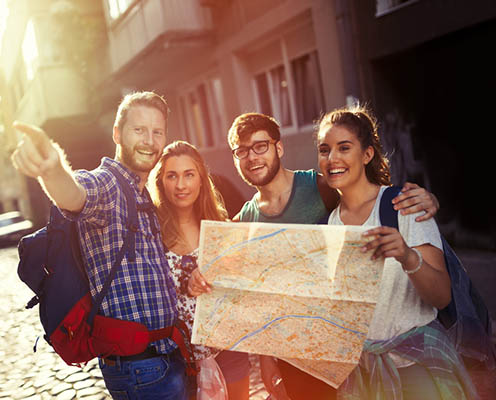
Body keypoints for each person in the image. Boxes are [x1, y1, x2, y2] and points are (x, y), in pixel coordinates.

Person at [188, 112, 442, 399]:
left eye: (260, 146)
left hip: (354, 350)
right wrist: (202, 275)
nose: (252, 157)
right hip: (297, 354)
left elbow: (365, 198)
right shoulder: (245, 220)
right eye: (242, 151)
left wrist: (426, 199)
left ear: (278, 148)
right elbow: (242, 284)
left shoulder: (321, 188)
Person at [11, 91, 188, 400]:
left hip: (162, 358)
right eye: (138, 130)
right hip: (140, 368)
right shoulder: (109, 184)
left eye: (156, 131)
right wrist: (51, 170)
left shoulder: (142, 193)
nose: (149, 140)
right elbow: (76, 194)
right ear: (117, 134)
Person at [315, 105, 477, 399]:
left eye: (344, 148)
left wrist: (407, 256)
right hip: (364, 376)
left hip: (418, 370)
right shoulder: (329, 225)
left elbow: (441, 296)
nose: (332, 158)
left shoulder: (404, 205)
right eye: (324, 149)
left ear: (367, 155)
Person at [148, 140, 231, 399]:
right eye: (172, 176)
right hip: (174, 367)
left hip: (228, 356)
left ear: (201, 179)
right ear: (161, 181)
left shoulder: (221, 228)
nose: (181, 185)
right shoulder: (150, 234)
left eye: (189, 175)